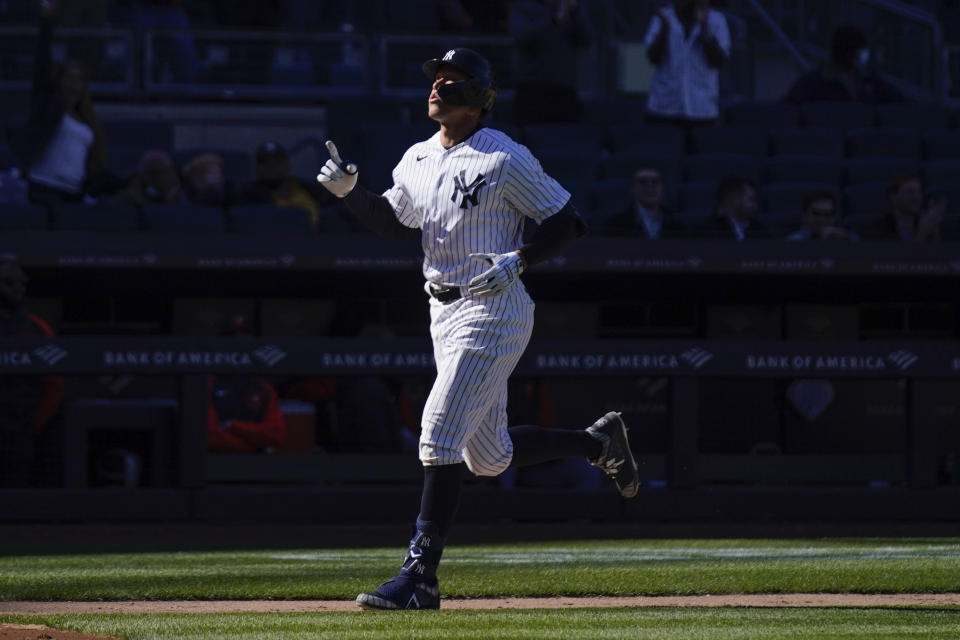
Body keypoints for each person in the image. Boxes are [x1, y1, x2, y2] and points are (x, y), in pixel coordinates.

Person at [317, 47, 640, 611]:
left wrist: (519, 258)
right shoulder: (416, 156)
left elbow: (568, 222)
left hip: (495, 307)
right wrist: (352, 196)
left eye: (450, 80)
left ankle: (421, 578)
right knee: (486, 458)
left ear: (479, 95)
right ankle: (597, 443)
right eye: (434, 80)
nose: (436, 88)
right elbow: (399, 225)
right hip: (443, 311)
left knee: (437, 431)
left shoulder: (504, 156)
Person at [15, 0, 107, 207]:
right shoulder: (47, 106)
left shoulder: (87, 120)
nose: (73, 84)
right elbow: (42, 65)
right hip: (43, 189)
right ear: (59, 80)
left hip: (74, 194)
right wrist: (46, 23)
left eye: (79, 80)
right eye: (69, 78)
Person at [0, 256, 63, 487]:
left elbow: (53, 383)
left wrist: (35, 423)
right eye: (8, 282)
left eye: (22, 283)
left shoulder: (37, 328)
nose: (18, 289)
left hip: (20, 430)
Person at [206, 313, 287, 453]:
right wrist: (251, 446)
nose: (239, 343)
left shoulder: (262, 387)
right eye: (232, 338)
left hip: (254, 467)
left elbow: (276, 434)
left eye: (245, 338)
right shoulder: (207, 383)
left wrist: (231, 425)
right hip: (213, 463)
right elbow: (209, 435)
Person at [644, 0, 731, 127]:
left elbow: (719, 61)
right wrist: (665, 30)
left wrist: (704, 28)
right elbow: (653, 58)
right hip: (663, 107)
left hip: (702, 109)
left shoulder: (716, 20)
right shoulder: (662, 17)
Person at [509, 0, 594, 125]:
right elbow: (522, 37)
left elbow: (587, 39)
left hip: (565, 89)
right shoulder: (524, 7)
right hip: (532, 89)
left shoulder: (573, 9)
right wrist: (553, 21)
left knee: (565, 137)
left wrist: (575, 13)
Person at [240, 141, 353, 231]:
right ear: (256, 168)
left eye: (277, 162)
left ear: (287, 165)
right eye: (265, 163)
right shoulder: (246, 197)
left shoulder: (311, 190)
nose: (272, 167)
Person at [782, 24, 906, 105]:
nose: (865, 56)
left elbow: (901, 103)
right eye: (861, 52)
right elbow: (787, 109)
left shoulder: (870, 80)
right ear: (847, 52)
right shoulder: (813, 82)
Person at [602, 166, 687, 238]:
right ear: (632, 189)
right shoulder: (617, 224)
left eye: (655, 182)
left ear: (662, 188)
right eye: (642, 182)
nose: (649, 186)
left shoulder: (677, 223)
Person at [860, 171, 945, 242]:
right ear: (893, 198)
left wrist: (935, 233)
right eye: (910, 192)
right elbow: (896, 260)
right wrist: (921, 236)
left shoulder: (925, 224)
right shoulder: (878, 230)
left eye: (919, 192)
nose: (917, 197)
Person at [107, 149, 185, 207]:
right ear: (147, 176)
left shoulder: (178, 192)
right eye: (164, 172)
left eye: (172, 170)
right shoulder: (127, 198)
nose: (172, 176)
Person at [704, 174, 770, 239]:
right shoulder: (708, 232)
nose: (755, 206)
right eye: (750, 200)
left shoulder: (760, 232)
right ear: (734, 199)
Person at [786, 190, 858, 241]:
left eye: (827, 215)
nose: (821, 219)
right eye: (816, 213)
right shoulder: (793, 241)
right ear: (804, 215)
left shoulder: (849, 239)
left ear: (835, 217)